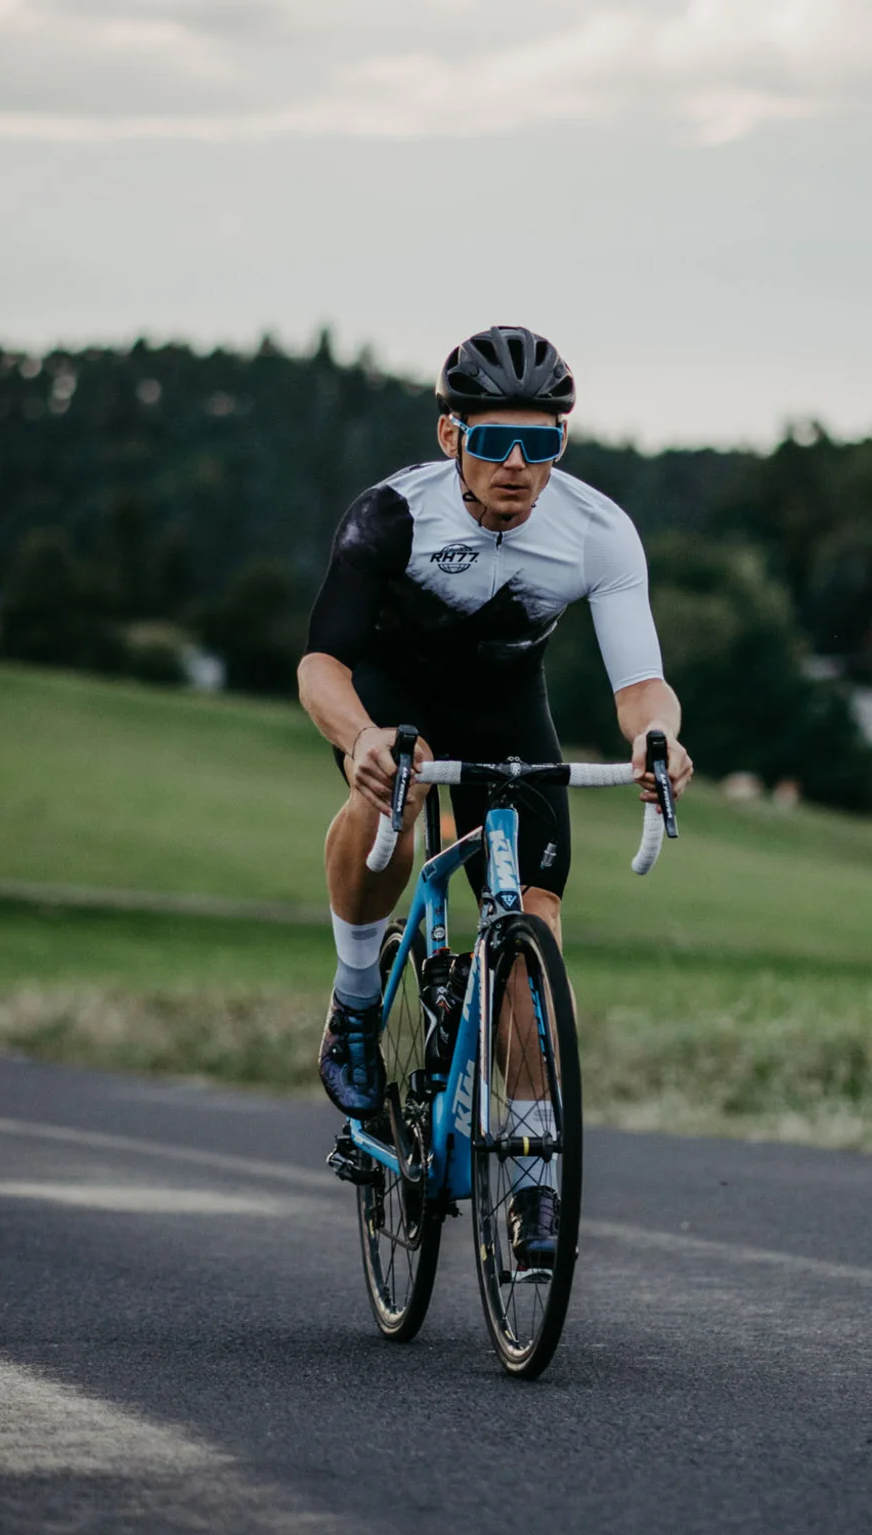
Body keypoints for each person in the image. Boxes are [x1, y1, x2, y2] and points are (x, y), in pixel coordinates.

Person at [295, 325, 693, 1262]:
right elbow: (321, 664)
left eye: (540, 441)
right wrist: (359, 738)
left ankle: (533, 1183)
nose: (517, 463)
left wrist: (657, 740)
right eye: (494, 440)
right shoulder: (392, 516)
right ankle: (356, 999)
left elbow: (641, 685)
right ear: (451, 437)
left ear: (562, 441)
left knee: (532, 930)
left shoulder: (597, 530)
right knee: (392, 803)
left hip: (506, 706)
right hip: (392, 698)